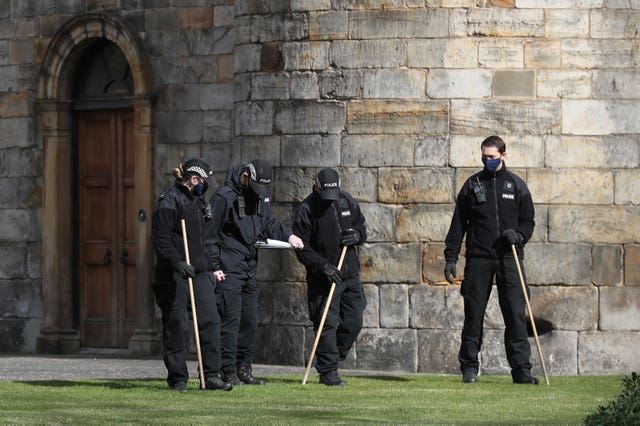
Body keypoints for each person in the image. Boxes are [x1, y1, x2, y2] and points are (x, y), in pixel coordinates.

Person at [444, 135, 538, 385]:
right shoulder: (472, 185)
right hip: (479, 259)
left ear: (504, 156)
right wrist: (451, 257)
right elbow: (457, 225)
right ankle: (469, 368)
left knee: (516, 315)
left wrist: (518, 236)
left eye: (492, 158)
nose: (488, 161)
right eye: (484, 157)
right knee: (473, 314)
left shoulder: (517, 186)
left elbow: (528, 221)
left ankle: (521, 371)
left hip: (510, 257)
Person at [206, 159, 304, 386]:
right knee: (230, 321)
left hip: (249, 265)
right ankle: (227, 371)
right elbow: (209, 235)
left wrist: (288, 235)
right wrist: (214, 266)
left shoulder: (260, 196)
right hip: (228, 266)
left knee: (249, 320)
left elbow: (267, 222)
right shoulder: (224, 197)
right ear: (246, 177)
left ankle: (244, 368)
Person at [152, 158, 232, 391]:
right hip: (174, 274)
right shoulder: (169, 202)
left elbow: (207, 240)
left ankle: (211, 376)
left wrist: (212, 266)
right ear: (194, 179)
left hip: (200, 273)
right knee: (177, 325)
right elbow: (162, 240)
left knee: (210, 320)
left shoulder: (199, 202)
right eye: (204, 182)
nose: (206, 186)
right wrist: (177, 262)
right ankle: (178, 379)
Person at [293, 168, 367, 386]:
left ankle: (334, 355)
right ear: (316, 188)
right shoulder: (306, 210)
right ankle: (328, 372)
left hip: (349, 272)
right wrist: (322, 266)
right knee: (326, 323)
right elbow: (301, 247)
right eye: (325, 195)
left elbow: (361, 226)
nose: (329, 201)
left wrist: (358, 236)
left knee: (355, 320)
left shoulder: (345, 201)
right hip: (323, 277)